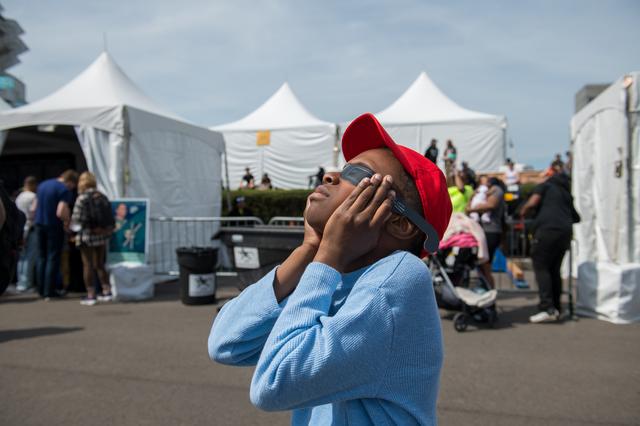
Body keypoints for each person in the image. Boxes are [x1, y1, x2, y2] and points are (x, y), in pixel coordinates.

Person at [209, 113, 452, 425]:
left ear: (400, 222)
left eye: (358, 173)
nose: (331, 175)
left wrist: (327, 257)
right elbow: (226, 344)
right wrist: (309, 249)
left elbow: (273, 384)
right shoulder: (334, 277)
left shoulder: (400, 275)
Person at [520, 162, 580, 323]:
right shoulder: (566, 193)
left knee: (541, 267)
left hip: (547, 231)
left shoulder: (546, 186)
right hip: (565, 234)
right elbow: (576, 217)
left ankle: (547, 307)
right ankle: (557, 308)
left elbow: (532, 203)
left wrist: (523, 212)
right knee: (554, 270)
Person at [70, 172, 114, 306]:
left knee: (87, 265)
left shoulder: (82, 198)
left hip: (87, 235)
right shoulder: (102, 196)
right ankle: (106, 290)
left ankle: (91, 294)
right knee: (100, 264)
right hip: (101, 235)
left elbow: (76, 220)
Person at [33, 170, 78, 300]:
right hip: (53, 226)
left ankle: (40, 289)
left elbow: (34, 207)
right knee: (53, 257)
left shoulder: (42, 185)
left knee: (41, 257)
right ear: (70, 182)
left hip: (39, 223)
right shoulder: (64, 190)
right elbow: (60, 211)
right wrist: (67, 222)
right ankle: (49, 290)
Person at [466, 177, 505, 288]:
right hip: (484, 231)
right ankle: (485, 289)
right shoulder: (483, 192)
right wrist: (472, 196)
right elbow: (467, 207)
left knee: (485, 265)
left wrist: (472, 209)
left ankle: (490, 291)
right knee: (482, 265)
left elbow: (491, 205)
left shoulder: (497, 189)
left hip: (490, 231)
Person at [15, 176, 38, 292]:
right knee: (30, 256)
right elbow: (33, 212)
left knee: (22, 257)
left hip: (21, 228)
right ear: (33, 185)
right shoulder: (33, 196)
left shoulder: (20, 196)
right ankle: (27, 283)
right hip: (31, 227)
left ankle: (21, 282)